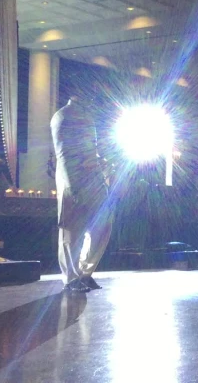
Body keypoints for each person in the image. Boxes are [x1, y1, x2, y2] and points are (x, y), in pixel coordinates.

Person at [51, 92, 112, 293]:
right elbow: (64, 154)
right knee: (71, 231)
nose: (94, 99)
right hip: (74, 182)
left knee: (102, 228)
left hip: (94, 181)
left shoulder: (88, 118)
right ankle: (71, 278)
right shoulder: (63, 116)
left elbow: (89, 150)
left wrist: (101, 163)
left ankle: (85, 273)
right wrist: (72, 186)